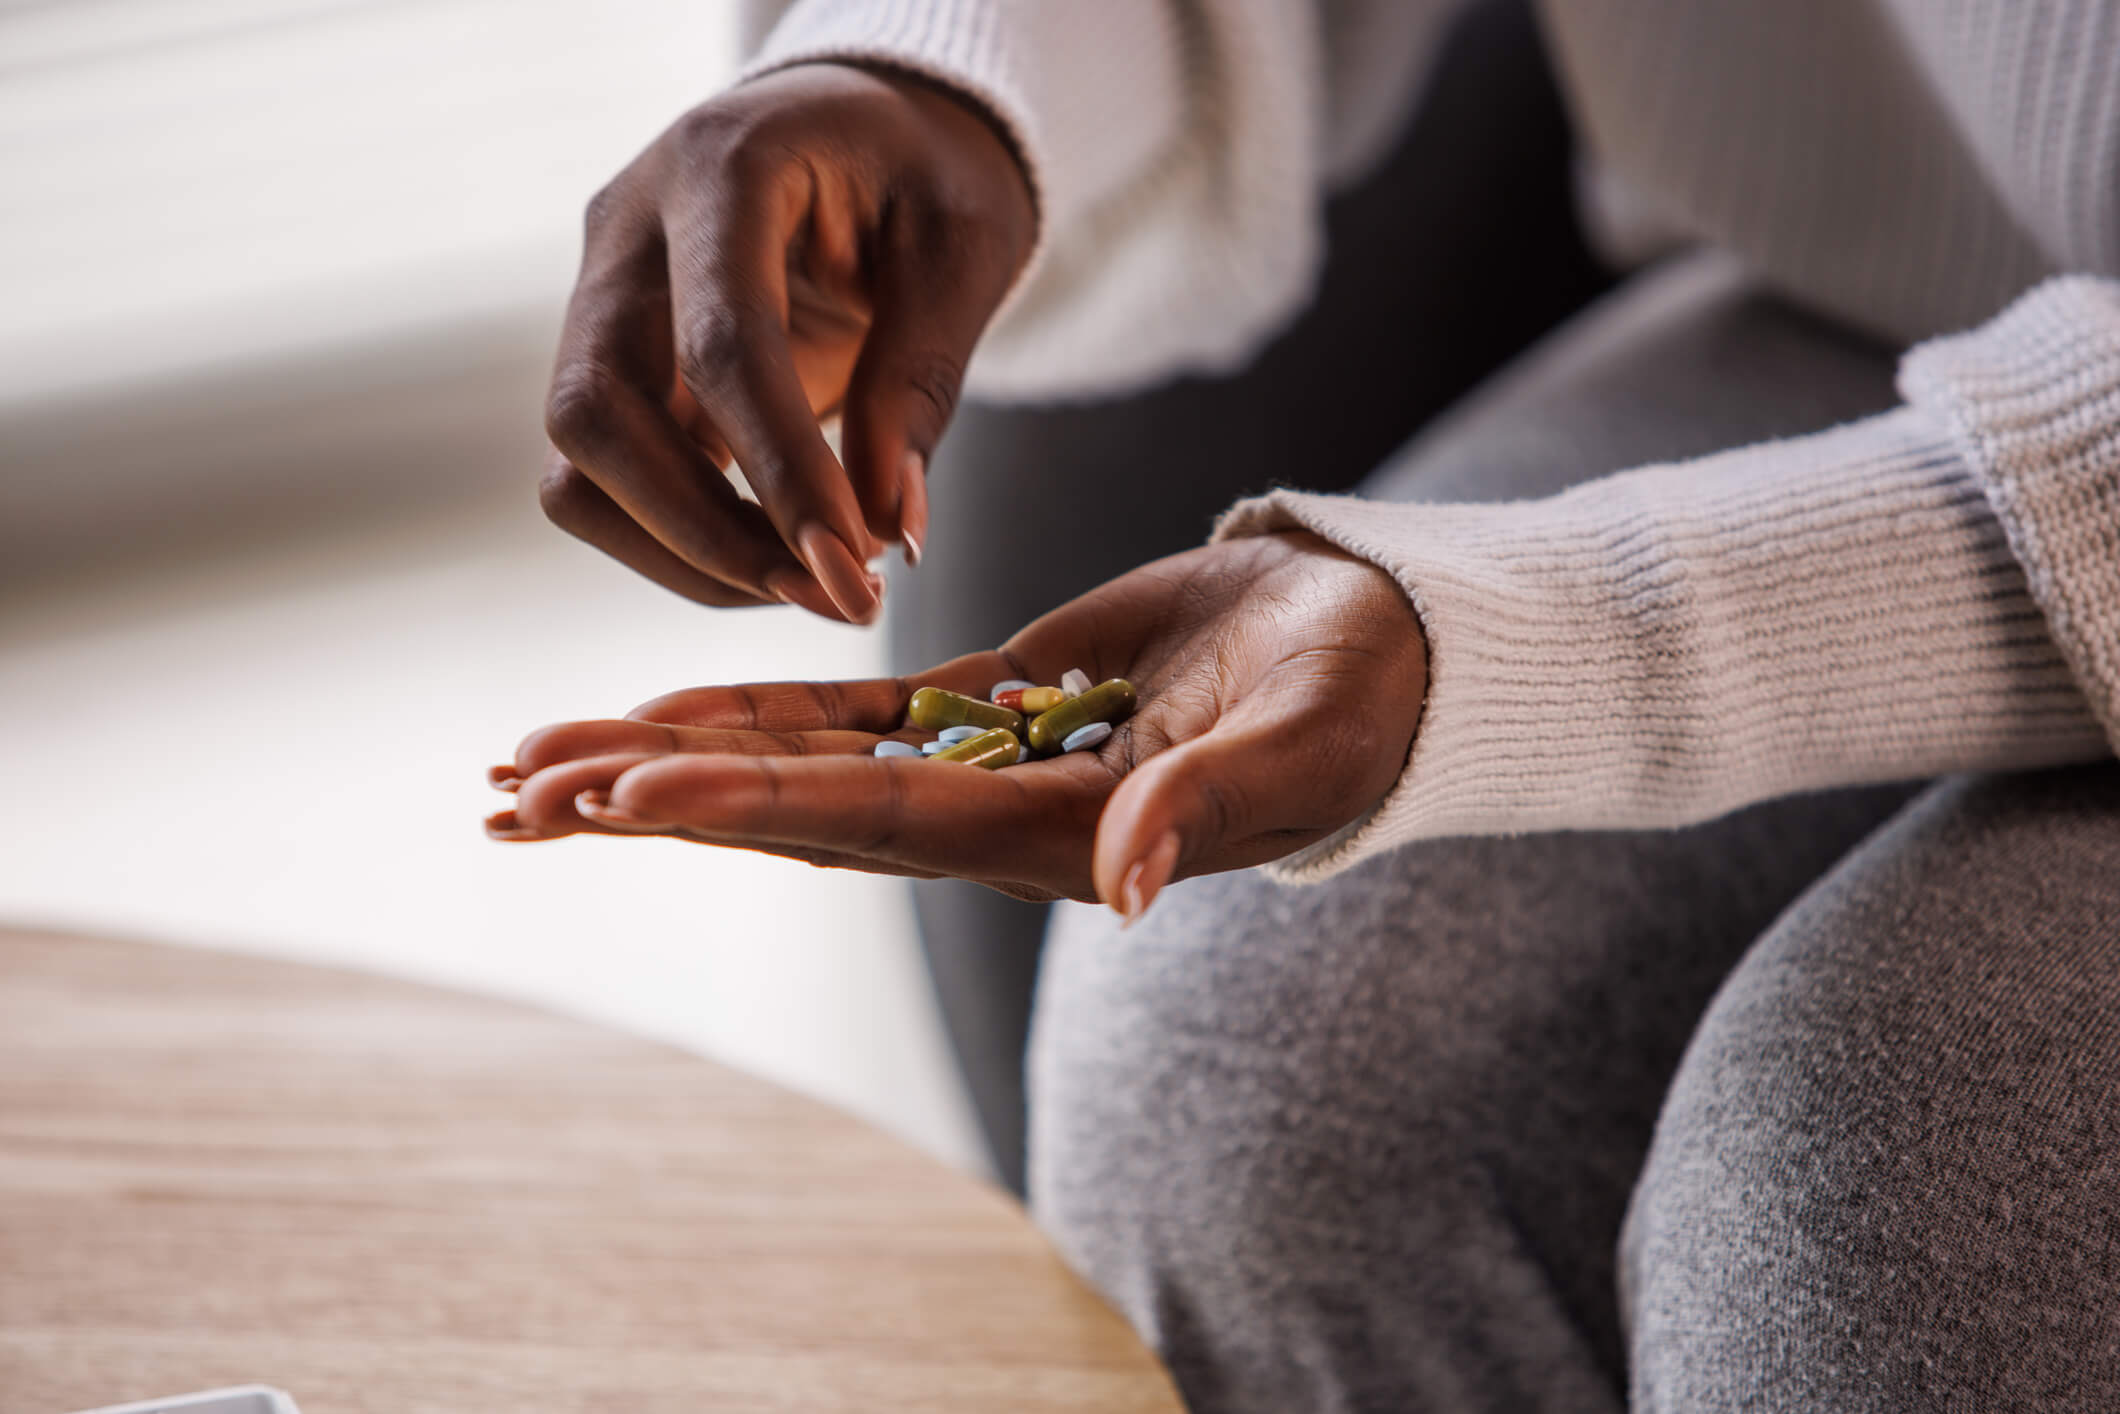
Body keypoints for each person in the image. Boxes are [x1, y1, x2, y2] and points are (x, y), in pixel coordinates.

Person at [485, 1, 2120, 1408]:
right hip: (1867, 272)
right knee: (1236, 1090)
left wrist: (1558, 632)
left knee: (1858, 1206)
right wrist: (956, 74)